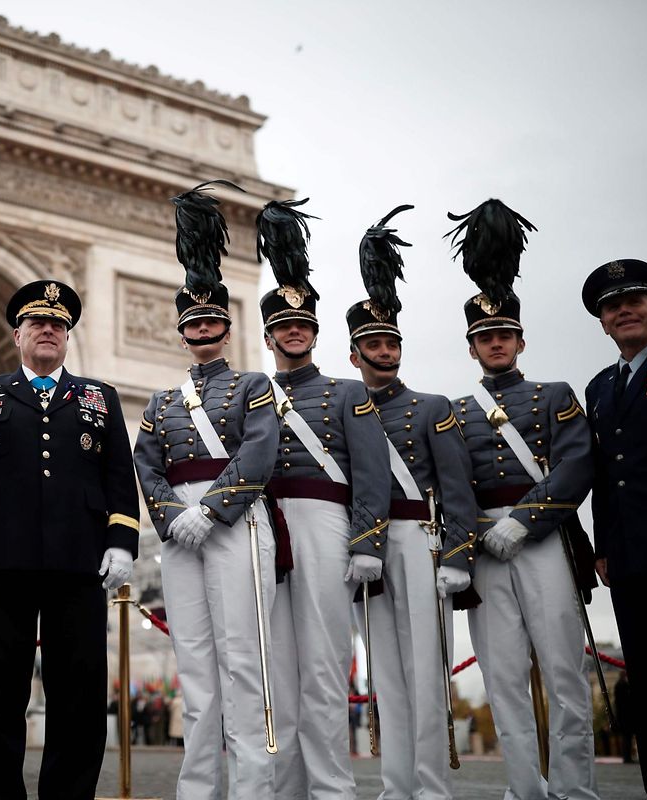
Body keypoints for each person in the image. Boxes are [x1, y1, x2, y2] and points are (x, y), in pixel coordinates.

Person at [0, 278, 140, 800]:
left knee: (78, 692)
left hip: (80, 562)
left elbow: (120, 475)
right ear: (18, 335)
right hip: (0, 561)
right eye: (38, 323)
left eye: (58, 324)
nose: (48, 331)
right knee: (1, 693)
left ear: (68, 336)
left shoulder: (103, 397)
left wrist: (121, 541)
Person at [448, 198, 598, 800]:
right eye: (486, 337)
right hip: (485, 545)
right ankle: (523, 790)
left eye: (505, 334)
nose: (497, 344)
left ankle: (574, 789)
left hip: (544, 542)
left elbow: (577, 463)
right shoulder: (456, 412)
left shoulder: (555, 393)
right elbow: (453, 486)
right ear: (472, 348)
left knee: (564, 673)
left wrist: (527, 522)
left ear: (521, 340)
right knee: (503, 677)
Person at [133, 180, 279, 797]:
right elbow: (147, 463)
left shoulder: (253, 386)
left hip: (237, 524)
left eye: (212, 319)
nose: (203, 328)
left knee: (244, 664)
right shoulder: (163, 400)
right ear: (181, 330)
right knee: (193, 666)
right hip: (180, 534)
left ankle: (253, 789)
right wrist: (170, 518)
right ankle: (198, 791)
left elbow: (260, 451)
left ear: (226, 326)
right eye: (192, 321)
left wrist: (212, 510)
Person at [253, 198, 391, 800]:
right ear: (269, 334)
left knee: (326, 669)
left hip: (326, 524)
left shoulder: (345, 391)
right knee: (275, 671)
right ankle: (286, 790)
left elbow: (372, 471)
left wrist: (366, 542)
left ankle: (333, 790)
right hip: (265, 529)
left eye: (304, 326)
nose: (295, 332)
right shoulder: (249, 393)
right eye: (285, 326)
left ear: (315, 332)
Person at [344, 205, 479, 800]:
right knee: (386, 675)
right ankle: (396, 785)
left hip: (422, 542)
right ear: (354, 354)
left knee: (427, 671)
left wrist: (458, 555)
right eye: (372, 342)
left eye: (391, 340)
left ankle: (431, 787)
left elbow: (457, 489)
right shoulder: (343, 407)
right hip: (367, 548)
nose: (385, 350)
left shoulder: (432, 407)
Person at [582, 257, 647, 797]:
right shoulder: (602, 386)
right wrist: (603, 545)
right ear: (603, 322)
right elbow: (607, 472)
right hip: (630, 559)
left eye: (634, 300)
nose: (624, 310)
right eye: (613, 306)